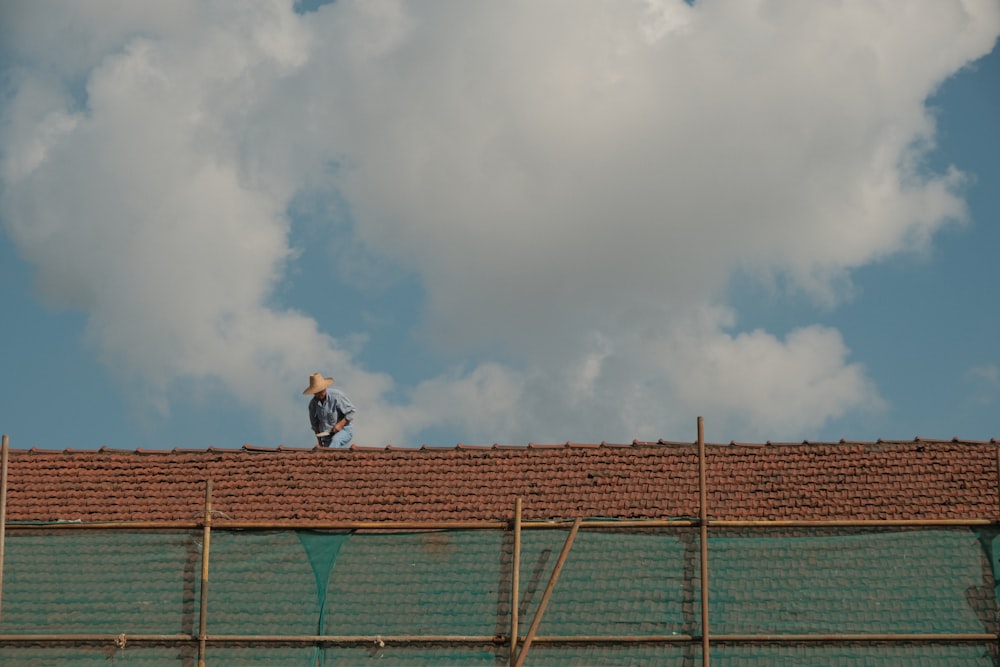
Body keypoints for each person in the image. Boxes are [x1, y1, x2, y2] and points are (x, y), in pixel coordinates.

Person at [303, 372, 356, 448]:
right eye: (316, 392)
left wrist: (340, 424)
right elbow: (315, 426)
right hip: (327, 437)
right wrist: (320, 442)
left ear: (325, 387)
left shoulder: (337, 396)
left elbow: (351, 410)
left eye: (320, 390)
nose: (319, 394)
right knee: (328, 454)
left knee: (336, 440)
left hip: (345, 430)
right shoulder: (312, 405)